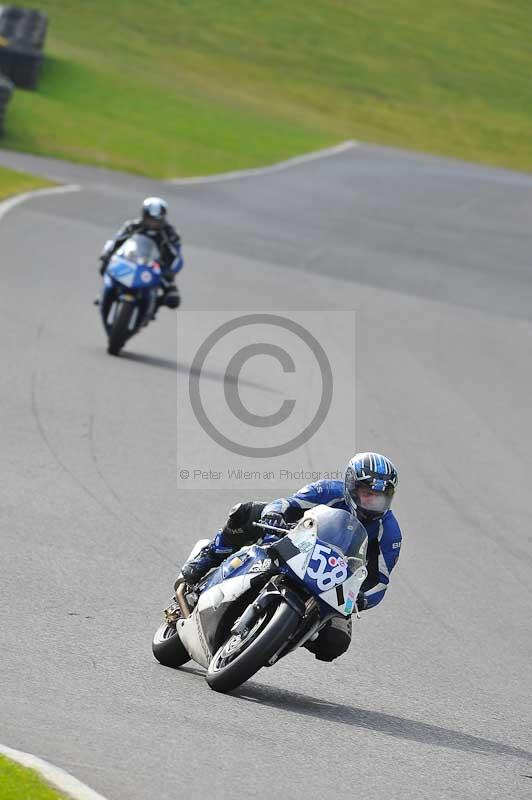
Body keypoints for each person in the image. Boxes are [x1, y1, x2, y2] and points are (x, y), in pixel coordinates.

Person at [181, 452, 402, 662]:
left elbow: (380, 581)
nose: (374, 503)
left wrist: (362, 598)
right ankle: (208, 557)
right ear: (352, 486)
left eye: (381, 497)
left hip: (332, 584)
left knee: (335, 642)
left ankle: (290, 632)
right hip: (296, 546)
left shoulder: (390, 533)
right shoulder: (327, 490)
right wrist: (275, 514)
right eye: (369, 494)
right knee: (245, 513)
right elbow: (288, 503)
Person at [99, 197, 183, 309]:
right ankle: (105, 294)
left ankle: (152, 306)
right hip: (132, 259)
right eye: (149, 219)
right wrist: (107, 254)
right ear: (144, 216)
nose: (152, 223)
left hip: (156, 267)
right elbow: (116, 241)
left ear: (162, 219)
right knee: (104, 267)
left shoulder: (170, 234)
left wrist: (169, 271)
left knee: (173, 299)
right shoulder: (132, 226)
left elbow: (176, 257)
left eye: (156, 221)